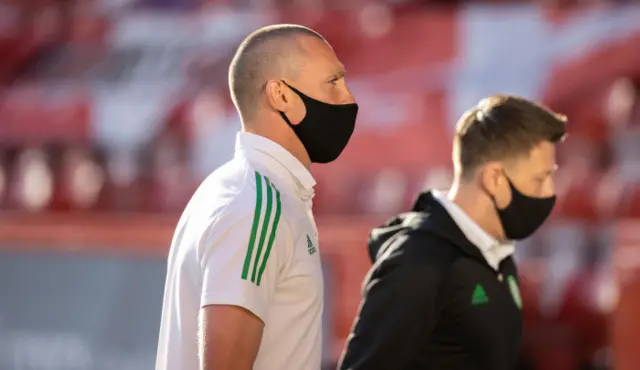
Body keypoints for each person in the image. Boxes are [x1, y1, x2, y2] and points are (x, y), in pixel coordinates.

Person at [155, 24, 358, 370]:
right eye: (333, 83)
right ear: (280, 95)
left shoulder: (243, 190)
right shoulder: (257, 206)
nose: (349, 98)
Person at [338, 95, 566, 370]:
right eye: (540, 179)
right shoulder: (418, 263)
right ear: (494, 178)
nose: (550, 193)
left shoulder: (497, 259)